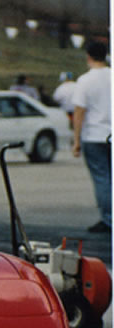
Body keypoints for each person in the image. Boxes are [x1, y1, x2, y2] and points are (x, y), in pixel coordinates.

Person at [72, 40, 111, 234]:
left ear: (88, 56)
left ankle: (108, 218)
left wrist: (76, 140)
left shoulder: (85, 80)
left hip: (95, 135)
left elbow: (79, 111)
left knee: (102, 178)